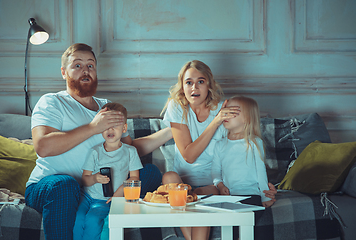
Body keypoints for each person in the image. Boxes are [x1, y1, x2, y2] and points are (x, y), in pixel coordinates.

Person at [25, 43, 172, 240]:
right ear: (63, 72)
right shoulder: (52, 102)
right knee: (65, 185)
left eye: (90, 65)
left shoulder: (107, 106)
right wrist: (93, 127)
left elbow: (130, 149)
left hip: (97, 189)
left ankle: (105, 211)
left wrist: (171, 131)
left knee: (150, 173)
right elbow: (43, 146)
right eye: (77, 66)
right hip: (50, 186)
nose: (85, 70)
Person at [161, 60, 277, 240]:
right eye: (189, 82)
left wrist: (263, 186)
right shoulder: (177, 107)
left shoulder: (224, 108)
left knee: (202, 200)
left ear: (209, 85)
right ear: (182, 86)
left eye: (201, 81)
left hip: (212, 184)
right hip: (182, 179)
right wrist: (215, 122)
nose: (194, 88)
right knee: (169, 178)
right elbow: (189, 156)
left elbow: (240, 146)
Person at [73, 102, 142, 240]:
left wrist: (118, 194)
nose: (110, 130)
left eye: (115, 125)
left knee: (93, 220)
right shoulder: (94, 151)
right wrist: (95, 178)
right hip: (87, 196)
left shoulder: (130, 152)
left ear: (124, 128)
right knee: (77, 218)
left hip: (107, 199)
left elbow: (134, 178)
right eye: (106, 126)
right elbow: (85, 179)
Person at [212, 95, 274, 208]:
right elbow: (215, 171)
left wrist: (265, 196)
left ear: (247, 118)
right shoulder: (219, 145)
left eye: (232, 112)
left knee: (247, 222)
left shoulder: (255, 143)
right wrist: (220, 186)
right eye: (225, 111)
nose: (226, 115)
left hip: (252, 195)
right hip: (229, 197)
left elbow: (261, 172)